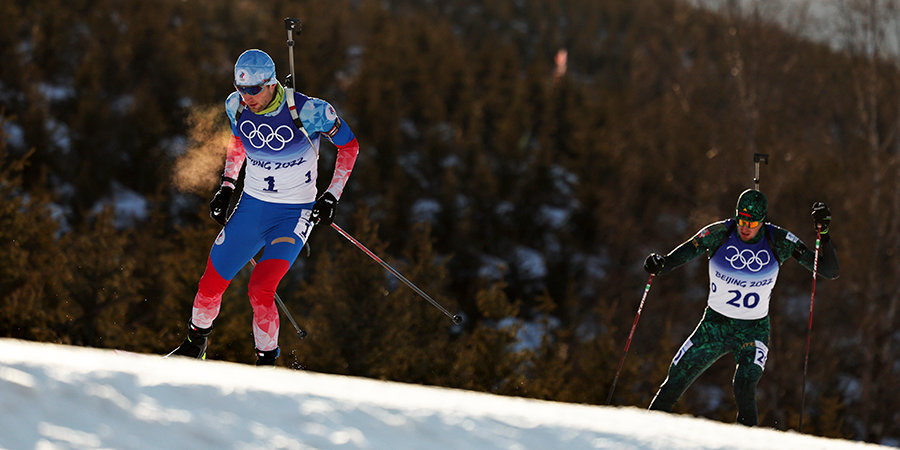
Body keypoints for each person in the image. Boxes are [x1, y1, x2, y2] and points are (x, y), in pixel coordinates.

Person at [170, 49, 359, 365]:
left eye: (253, 89)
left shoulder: (311, 110)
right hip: (252, 207)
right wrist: (227, 187)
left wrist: (331, 195)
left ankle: (266, 365)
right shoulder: (236, 106)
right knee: (210, 282)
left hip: (292, 215)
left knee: (260, 289)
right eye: (240, 88)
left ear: (271, 83)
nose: (246, 97)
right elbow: (238, 142)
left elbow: (349, 146)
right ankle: (194, 346)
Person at [642, 189, 838, 425]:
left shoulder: (779, 240)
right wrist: (661, 264)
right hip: (714, 326)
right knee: (676, 378)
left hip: (753, 331)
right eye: (741, 219)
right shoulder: (719, 233)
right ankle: (644, 435)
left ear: (763, 220)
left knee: (744, 385)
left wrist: (824, 234)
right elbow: (684, 253)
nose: (745, 227)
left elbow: (828, 271)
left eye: (752, 222)